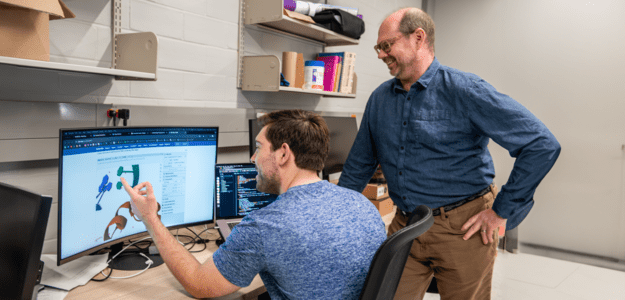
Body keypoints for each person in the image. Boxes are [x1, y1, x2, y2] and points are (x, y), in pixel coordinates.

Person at [336, 7, 561, 300]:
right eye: (378, 47)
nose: (380, 55)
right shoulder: (380, 98)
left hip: (463, 229)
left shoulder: (464, 90)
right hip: (405, 225)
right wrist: (336, 217)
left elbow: (541, 144)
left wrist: (500, 211)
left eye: (386, 45)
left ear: (418, 38)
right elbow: (359, 165)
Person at [120, 109, 386, 299]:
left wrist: (151, 218)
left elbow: (200, 285)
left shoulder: (266, 226)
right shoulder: (361, 204)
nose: (252, 157)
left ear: (283, 153)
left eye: (259, 148)